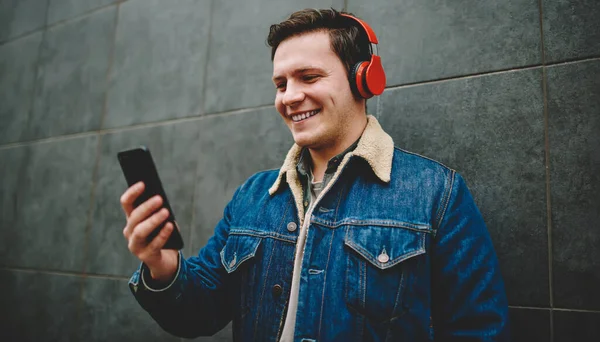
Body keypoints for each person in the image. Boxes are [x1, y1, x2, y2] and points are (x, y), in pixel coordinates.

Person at [121, 8, 510, 341]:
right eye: (280, 83)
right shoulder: (253, 197)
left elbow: (477, 329)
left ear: (365, 80)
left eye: (308, 77)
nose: (289, 96)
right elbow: (199, 313)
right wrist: (163, 265)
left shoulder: (436, 194)